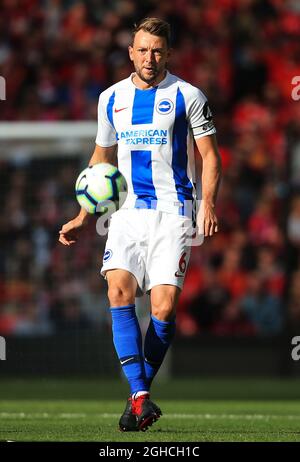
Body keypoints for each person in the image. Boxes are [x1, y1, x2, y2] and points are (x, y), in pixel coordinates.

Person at [59, 17, 221, 432]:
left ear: (168, 53)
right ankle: (141, 396)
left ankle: (136, 396)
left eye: (158, 50)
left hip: (175, 210)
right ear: (131, 52)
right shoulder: (111, 98)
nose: (150, 57)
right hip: (126, 212)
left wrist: (207, 204)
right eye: (143, 49)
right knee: (118, 290)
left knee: (163, 307)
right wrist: (82, 215)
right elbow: (100, 161)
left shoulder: (189, 95)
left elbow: (210, 157)